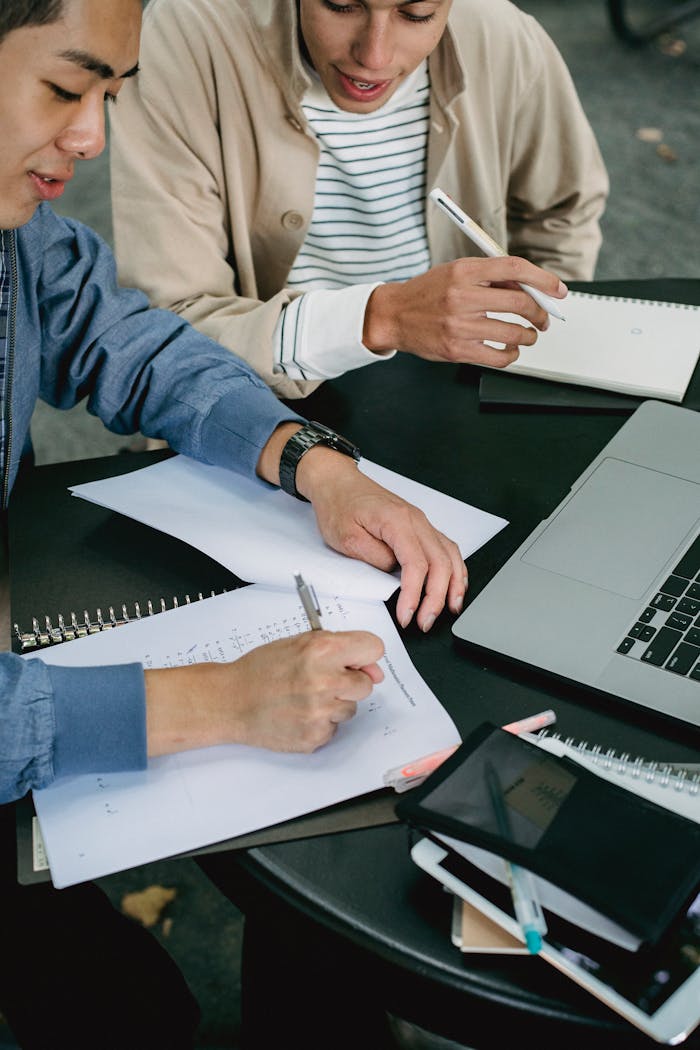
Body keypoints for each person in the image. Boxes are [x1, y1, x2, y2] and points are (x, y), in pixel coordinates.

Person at [0, 1, 465, 1045]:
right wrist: (219, 698)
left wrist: (314, 462)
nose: (92, 139)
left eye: (109, 96)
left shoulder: (17, 234)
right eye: (66, 90)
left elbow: (133, 345)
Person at [109, 0, 609, 400]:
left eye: (416, 14)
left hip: (464, 384)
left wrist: (538, 354)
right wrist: (383, 318)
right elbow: (170, 320)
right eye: (342, 5)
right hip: (263, 396)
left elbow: (562, 211)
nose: (374, 56)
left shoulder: (502, 33)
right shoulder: (186, 36)